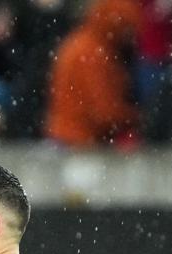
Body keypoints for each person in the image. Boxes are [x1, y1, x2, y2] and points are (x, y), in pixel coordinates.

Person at [43, 0, 142, 147]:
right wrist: (136, 118)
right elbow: (103, 112)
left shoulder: (81, 43)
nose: (129, 37)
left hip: (65, 136)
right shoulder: (94, 53)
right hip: (78, 142)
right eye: (127, 29)